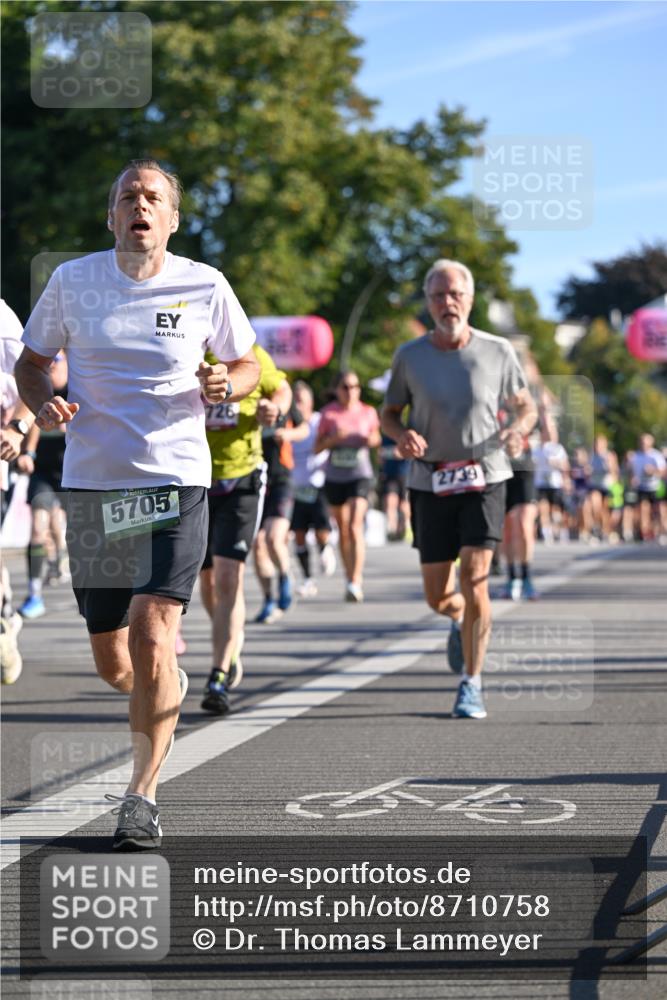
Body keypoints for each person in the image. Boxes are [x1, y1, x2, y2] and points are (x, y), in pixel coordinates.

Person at [15, 158, 260, 848]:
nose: (140, 206)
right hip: (96, 488)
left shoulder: (204, 284)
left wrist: (226, 386)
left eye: (153, 198)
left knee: (155, 634)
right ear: (112, 215)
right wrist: (45, 404)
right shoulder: (74, 281)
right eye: (128, 196)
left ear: (171, 219)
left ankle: (141, 796)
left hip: (175, 482)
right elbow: (30, 364)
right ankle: (160, 685)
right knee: (115, 663)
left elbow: (245, 362)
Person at [381, 259, 536, 720]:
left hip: (485, 474)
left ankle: (472, 682)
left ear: (470, 299)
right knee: (438, 594)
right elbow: (389, 412)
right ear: (428, 302)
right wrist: (399, 434)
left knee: (475, 575)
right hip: (430, 479)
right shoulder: (409, 356)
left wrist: (518, 430)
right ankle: (456, 619)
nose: (448, 303)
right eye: (438, 295)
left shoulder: (498, 351)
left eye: (456, 294)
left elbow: (525, 407)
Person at [199, 343, 291, 714]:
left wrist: (275, 409)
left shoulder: (249, 351)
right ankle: (231, 638)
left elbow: (280, 389)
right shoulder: (183, 344)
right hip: (195, 479)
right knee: (205, 582)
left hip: (242, 479)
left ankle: (218, 674)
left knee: (227, 578)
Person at [315, 371, 381, 602]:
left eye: (355, 386)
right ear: (337, 389)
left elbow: (376, 438)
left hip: (359, 475)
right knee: (343, 529)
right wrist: (333, 439)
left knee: (354, 525)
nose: (351, 390)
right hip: (335, 476)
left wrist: (369, 439)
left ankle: (356, 580)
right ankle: (348, 577)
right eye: (346, 386)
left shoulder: (368, 412)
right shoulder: (328, 413)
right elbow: (316, 447)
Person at [17, 353, 69, 620]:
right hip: (44, 473)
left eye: (57, 359)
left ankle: (62, 556)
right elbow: (32, 418)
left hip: (77, 471)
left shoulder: (81, 388)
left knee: (77, 531)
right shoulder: (39, 388)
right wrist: (28, 453)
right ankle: (34, 593)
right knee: (38, 525)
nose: (51, 365)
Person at [252, 391, 308, 622]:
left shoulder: (283, 396)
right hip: (255, 478)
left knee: (274, 538)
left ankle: (285, 576)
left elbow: (304, 428)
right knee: (257, 544)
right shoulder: (247, 396)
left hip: (282, 479)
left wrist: (287, 434)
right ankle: (268, 599)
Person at [290, 380, 336, 597]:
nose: (298, 405)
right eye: (295, 400)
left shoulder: (320, 421)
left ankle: (325, 548)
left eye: (301, 400)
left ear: (310, 402)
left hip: (319, 484)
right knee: (299, 534)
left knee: (321, 531)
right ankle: (308, 579)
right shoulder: (289, 424)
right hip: (296, 486)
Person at [533, 418, 570, 542]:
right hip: (541, 483)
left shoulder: (558, 448)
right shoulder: (537, 449)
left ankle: (559, 529)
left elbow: (565, 466)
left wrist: (556, 464)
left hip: (555, 483)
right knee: (543, 507)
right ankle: (546, 531)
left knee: (556, 510)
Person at [630, 433, 667, 541]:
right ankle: (645, 533)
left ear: (651, 443)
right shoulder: (636, 456)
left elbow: (663, 471)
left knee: (660, 510)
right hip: (642, 487)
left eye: (645, 443)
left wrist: (653, 471)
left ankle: (662, 532)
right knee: (643, 510)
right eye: (641, 442)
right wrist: (632, 479)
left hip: (655, 486)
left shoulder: (656, 455)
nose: (643, 445)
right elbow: (632, 472)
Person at [378, 434, 412, 542]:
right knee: (389, 500)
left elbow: (411, 452)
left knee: (404, 503)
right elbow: (380, 455)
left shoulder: (404, 433)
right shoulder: (384, 436)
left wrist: (400, 453)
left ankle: (405, 527)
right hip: (389, 474)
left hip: (404, 473)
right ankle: (391, 529)